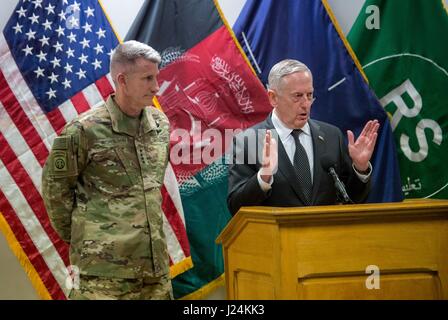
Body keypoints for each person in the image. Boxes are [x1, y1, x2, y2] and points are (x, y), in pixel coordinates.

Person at [42, 41, 173, 300]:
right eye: (147, 78)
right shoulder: (83, 130)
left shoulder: (160, 125)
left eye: (156, 77)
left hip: (155, 275)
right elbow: (55, 193)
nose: (156, 86)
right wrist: (90, 239)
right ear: (122, 80)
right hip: (102, 279)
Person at [227, 59, 379, 215]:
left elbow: (353, 199)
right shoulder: (248, 142)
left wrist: (360, 168)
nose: (306, 104)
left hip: (327, 235)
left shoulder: (332, 136)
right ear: (273, 98)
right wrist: (263, 178)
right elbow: (236, 207)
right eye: (297, 96)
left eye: (309, 95)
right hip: (278, 237)